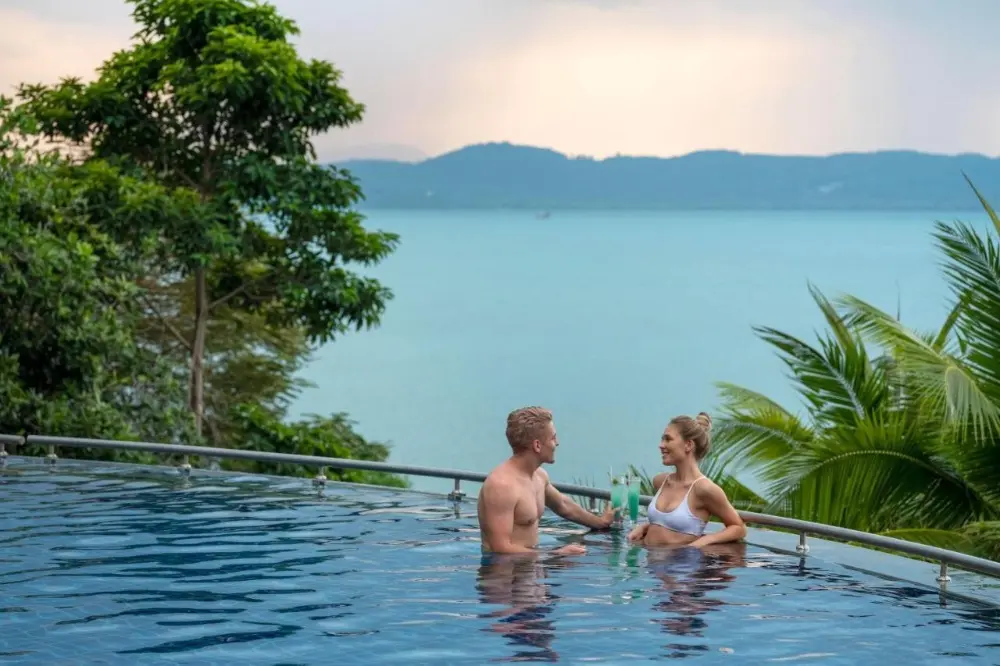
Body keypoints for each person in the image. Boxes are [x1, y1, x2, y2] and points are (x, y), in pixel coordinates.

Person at [478, 406, 615, 555]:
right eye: (553, 438)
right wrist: (554, 554)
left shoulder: (539, 476)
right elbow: (500, 547)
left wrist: (601, 522)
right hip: (502, 573)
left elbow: (563, 505)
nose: (557, 443)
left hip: (530, 567)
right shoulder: (502, 486)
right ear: (537, 445)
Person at [628, 412, 746, 548]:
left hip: (680, 566)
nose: (661, 445)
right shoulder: (661, 481)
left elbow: (738, 527)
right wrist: (644, 527)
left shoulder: (704, 489)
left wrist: (704, 541)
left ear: (688, 445)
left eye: (668, 439)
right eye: (662, 439)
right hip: (650, 565)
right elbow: (665, 524)